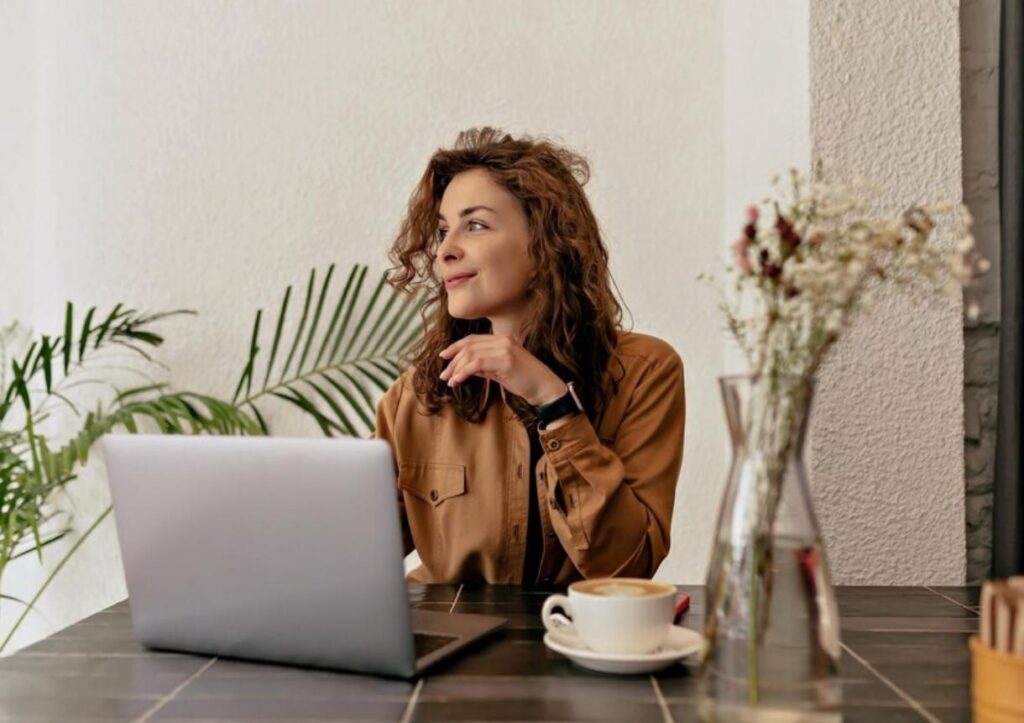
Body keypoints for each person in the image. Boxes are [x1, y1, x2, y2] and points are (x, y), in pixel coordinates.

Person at [373, 127, 685, 585]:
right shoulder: (417, 396)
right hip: (446, 643)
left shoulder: (645, 373)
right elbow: (350, 556)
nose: (444, 250)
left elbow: (626, 568)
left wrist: (553, 401)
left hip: (580, 643)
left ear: (545, 242)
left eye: (474, 225)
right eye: (442, 230)